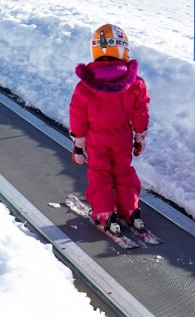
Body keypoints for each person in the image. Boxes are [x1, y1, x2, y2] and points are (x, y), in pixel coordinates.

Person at [68, 23, 150, 234]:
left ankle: (104, 213)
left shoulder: (85, 85)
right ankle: (130, 209)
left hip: (96, 139)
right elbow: (140, 112)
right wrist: (139, 135)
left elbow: (78, 115)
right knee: (124, 171)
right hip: (122, 136)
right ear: (123, 49)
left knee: (100, 173)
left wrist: (79, 142)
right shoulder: (135, 83)